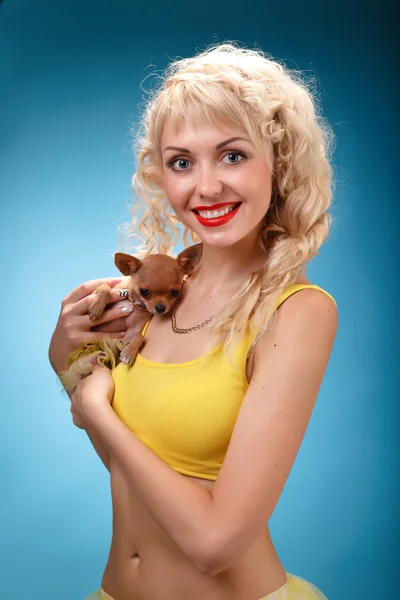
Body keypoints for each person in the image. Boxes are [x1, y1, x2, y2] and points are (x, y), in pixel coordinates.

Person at [49, 42, 338, 600]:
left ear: (279, 161)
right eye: (182, 161)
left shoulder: (296, 310)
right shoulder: (162, 289)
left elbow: (213, 545)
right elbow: (130, 473)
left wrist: (93, 411)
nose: (205, 187)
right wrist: (64, 358)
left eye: (232, 155)